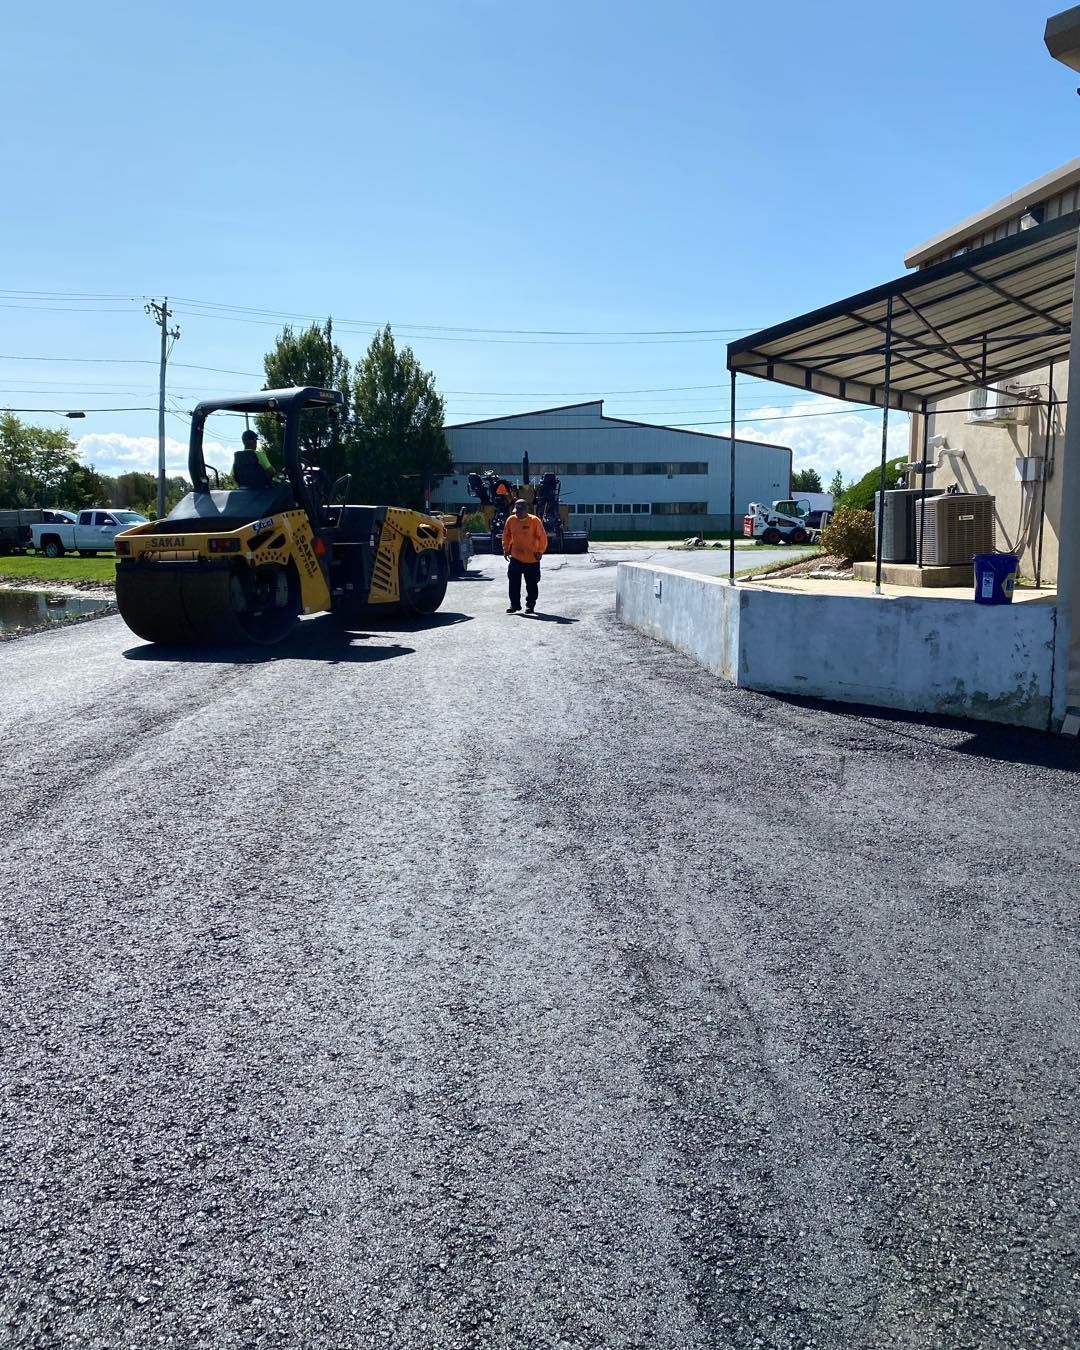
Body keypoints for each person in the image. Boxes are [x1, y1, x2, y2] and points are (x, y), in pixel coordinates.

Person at [502, 497, 547, 613]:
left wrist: (540, 551)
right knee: (513, 582)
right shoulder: (511, 520)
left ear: (526, 510)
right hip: (516, 557)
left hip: (532, 558)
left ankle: (530, 605)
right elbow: (506, 535)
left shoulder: (534, 521)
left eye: (520, 511)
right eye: (516, 511)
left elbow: (542, 538)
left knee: (532, 584)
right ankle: (515, 605)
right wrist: (506, 548)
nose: (518, 513)